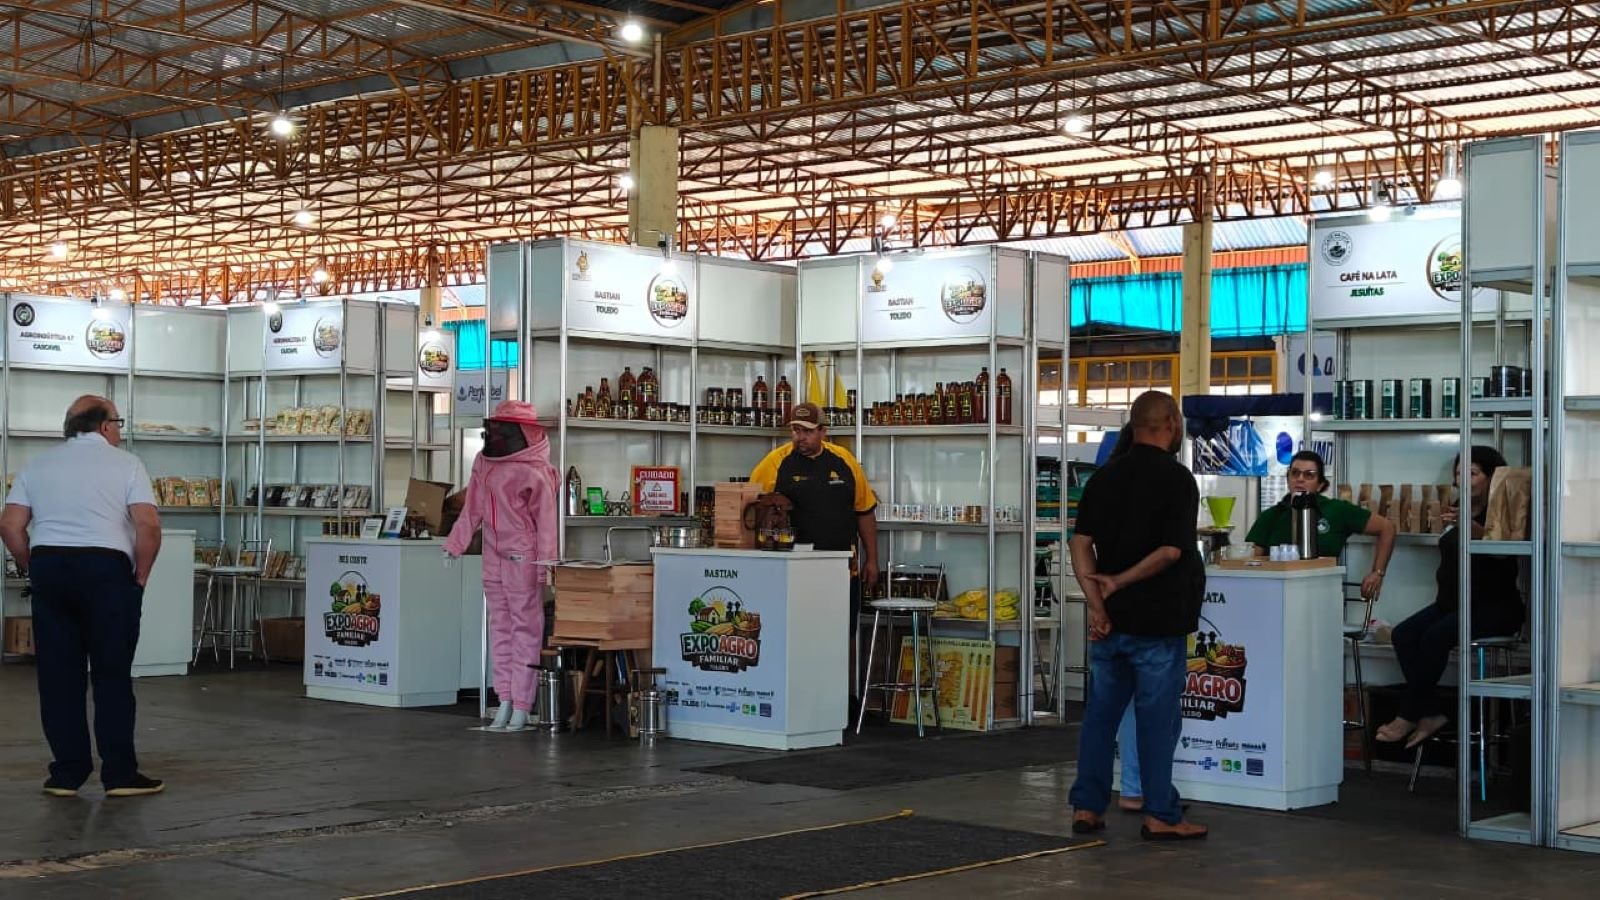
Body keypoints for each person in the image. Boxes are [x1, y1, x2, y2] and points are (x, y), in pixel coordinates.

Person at [0, 395, 165, 797]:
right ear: (106, 426)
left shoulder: (38, 465)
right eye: (118, 423)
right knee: (111, 674)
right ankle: (119, 775)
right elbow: (148, 526)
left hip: (50, 568)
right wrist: (140, 577)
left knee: (58, 677)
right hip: (106, 571)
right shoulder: (127, 464)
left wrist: (31, 565)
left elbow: (9, 525)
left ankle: (66, 774)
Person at [1068, 391, 1208, 840]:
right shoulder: (1177, 480)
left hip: (1111, 623)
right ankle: (1160, 813)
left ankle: (1087, 807)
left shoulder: (1104, 478)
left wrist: (1098, 603)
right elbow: (1170, 551)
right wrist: (1119, 581)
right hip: (1160, 621)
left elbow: (1078, 543)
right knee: (1156, 721)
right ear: (1171, 423)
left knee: (1100, 718)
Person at [1377, 446, 1524, 748]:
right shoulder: (1457, 507)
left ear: (1491, 477)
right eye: (1458, 474)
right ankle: (1431, 712)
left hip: (1494, 608)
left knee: (1435, 638)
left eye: (1471, 473)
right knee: (1404, 635)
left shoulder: (1502, 509)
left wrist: (1469, 526)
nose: (1462, 480)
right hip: (1453, 603)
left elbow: (1502, 551)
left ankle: (1408, 713)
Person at [749, 402, 878, 706]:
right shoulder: (776, 462)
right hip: (794, 570)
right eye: (795, 430)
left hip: (841, 568)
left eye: (807, 431)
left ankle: (837, 701)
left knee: (841, 635)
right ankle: (797, 702)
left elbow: (864, 511)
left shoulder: (844, 460)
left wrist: (872, 559)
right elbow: (749, 506)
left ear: (823, 431)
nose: (800, 437)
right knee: (797, 636)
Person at [444, 400, 559, 733]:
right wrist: (455, 544)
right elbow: (473, 509)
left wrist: (546, 566)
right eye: (493, 427)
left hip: (522, 556)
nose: (493, 434)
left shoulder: (536, 470)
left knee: (525, 629)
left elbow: (546, 524)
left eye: (500, 428)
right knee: (500, 629)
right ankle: (505, 700)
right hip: (494, 553)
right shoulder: (484, 462)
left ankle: (521, 704)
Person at [1245, 450, 1396, 600]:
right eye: (1295, 473)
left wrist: (1378, 573)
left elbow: (1387, 528)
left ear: (1320, 484)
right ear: (1288, 478)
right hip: (1276, 597)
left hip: (1323, 596)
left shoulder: (1337, 510)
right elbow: (1249, 561)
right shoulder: (1271, 515)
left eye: (1309, 475)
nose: (1300, 479)